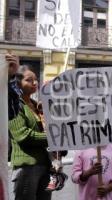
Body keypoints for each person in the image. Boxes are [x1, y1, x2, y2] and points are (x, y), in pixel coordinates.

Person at [8, 65, 52, 200]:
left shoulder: (37, 105)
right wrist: (53, 137)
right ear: (18, 84)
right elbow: (23, 136)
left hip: (45, 165)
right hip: (26, 167)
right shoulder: (14, 105)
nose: (35, 82)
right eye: (29, 80)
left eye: (36, 79)